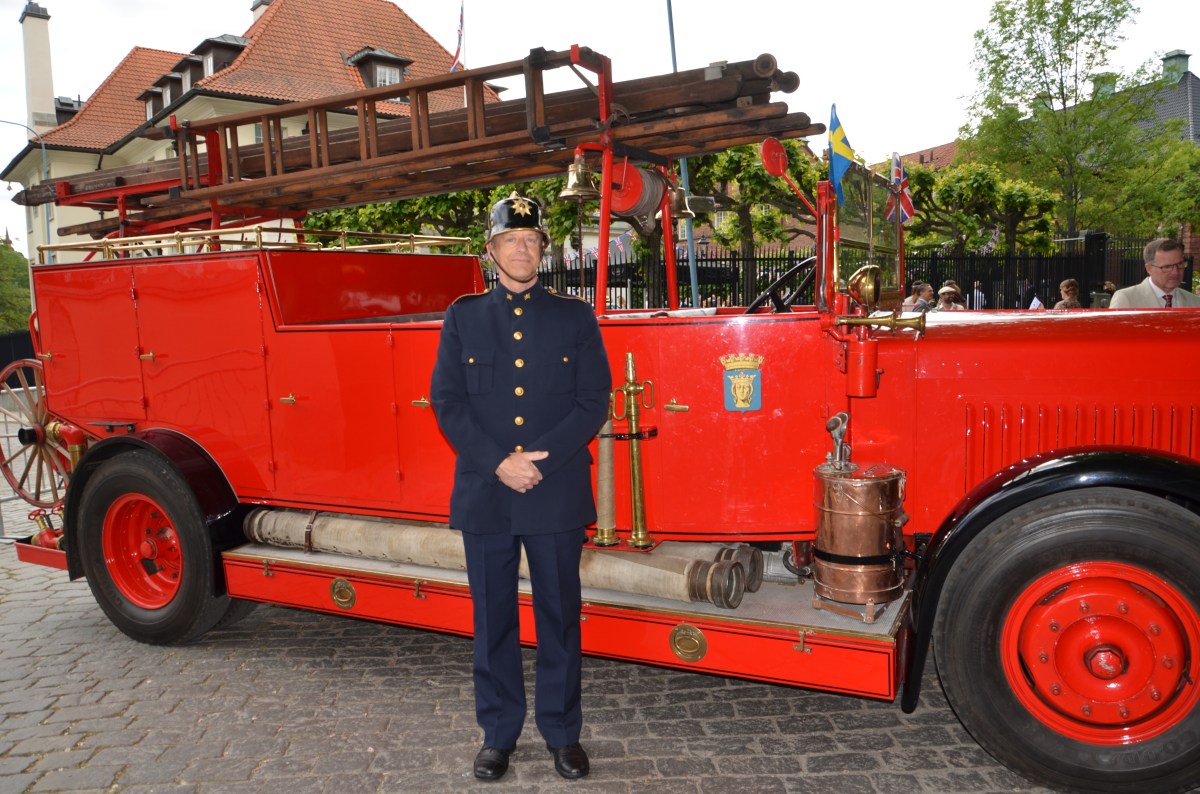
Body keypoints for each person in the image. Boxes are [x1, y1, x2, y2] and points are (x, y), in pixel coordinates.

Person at [430, 193, 612, 782]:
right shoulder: (462, 317)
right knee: (493, 620)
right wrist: (498, 464)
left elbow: (593, 401)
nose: (522, 249)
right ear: (491, 250)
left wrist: (540, 462)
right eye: (511, 239)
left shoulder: (574, 318)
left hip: (554, 491)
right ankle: (498, 735)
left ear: (543, 250)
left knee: (560, 618)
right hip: (486, 492)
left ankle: (562, 732)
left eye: (531, 240)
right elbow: (447, 401)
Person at [1109, 238, 1200, 308]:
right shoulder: (1126, 298)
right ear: (1149, 269)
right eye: (1167, 267)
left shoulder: (1195, 302)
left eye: (1180, 264)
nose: (1175, 272)